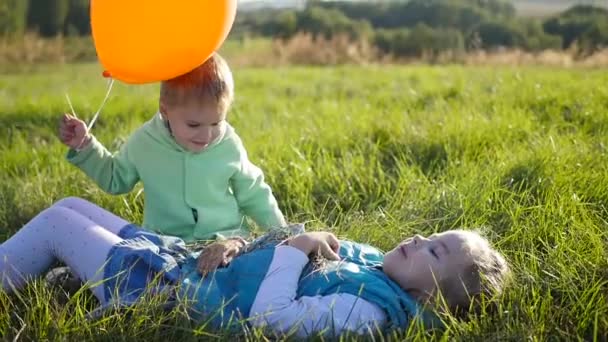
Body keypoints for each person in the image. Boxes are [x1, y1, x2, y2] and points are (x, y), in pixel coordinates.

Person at [0, 198, 510, 338]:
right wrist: (238, 242)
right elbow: (279, 246)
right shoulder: (376, 266)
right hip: (199, 262)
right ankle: (65, 278)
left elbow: (271, 317)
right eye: (432, 236)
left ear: (430, 299)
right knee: (71, 203)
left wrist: (299, 246)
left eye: (435, 251)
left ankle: (65, 274)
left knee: (55, 225)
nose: (420, 239)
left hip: (174, 288)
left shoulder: (365, 313)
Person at [58, 53, 285, 242]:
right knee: (140, 268)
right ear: (165, 110)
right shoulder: (146, 143)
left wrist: (281, 232)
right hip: (165, 243)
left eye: (216, 122)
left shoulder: (228, 144)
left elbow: (254, 192)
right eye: (193, 124)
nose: (207, 135)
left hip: (226, 239)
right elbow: (115, 178)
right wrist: (85, 146)